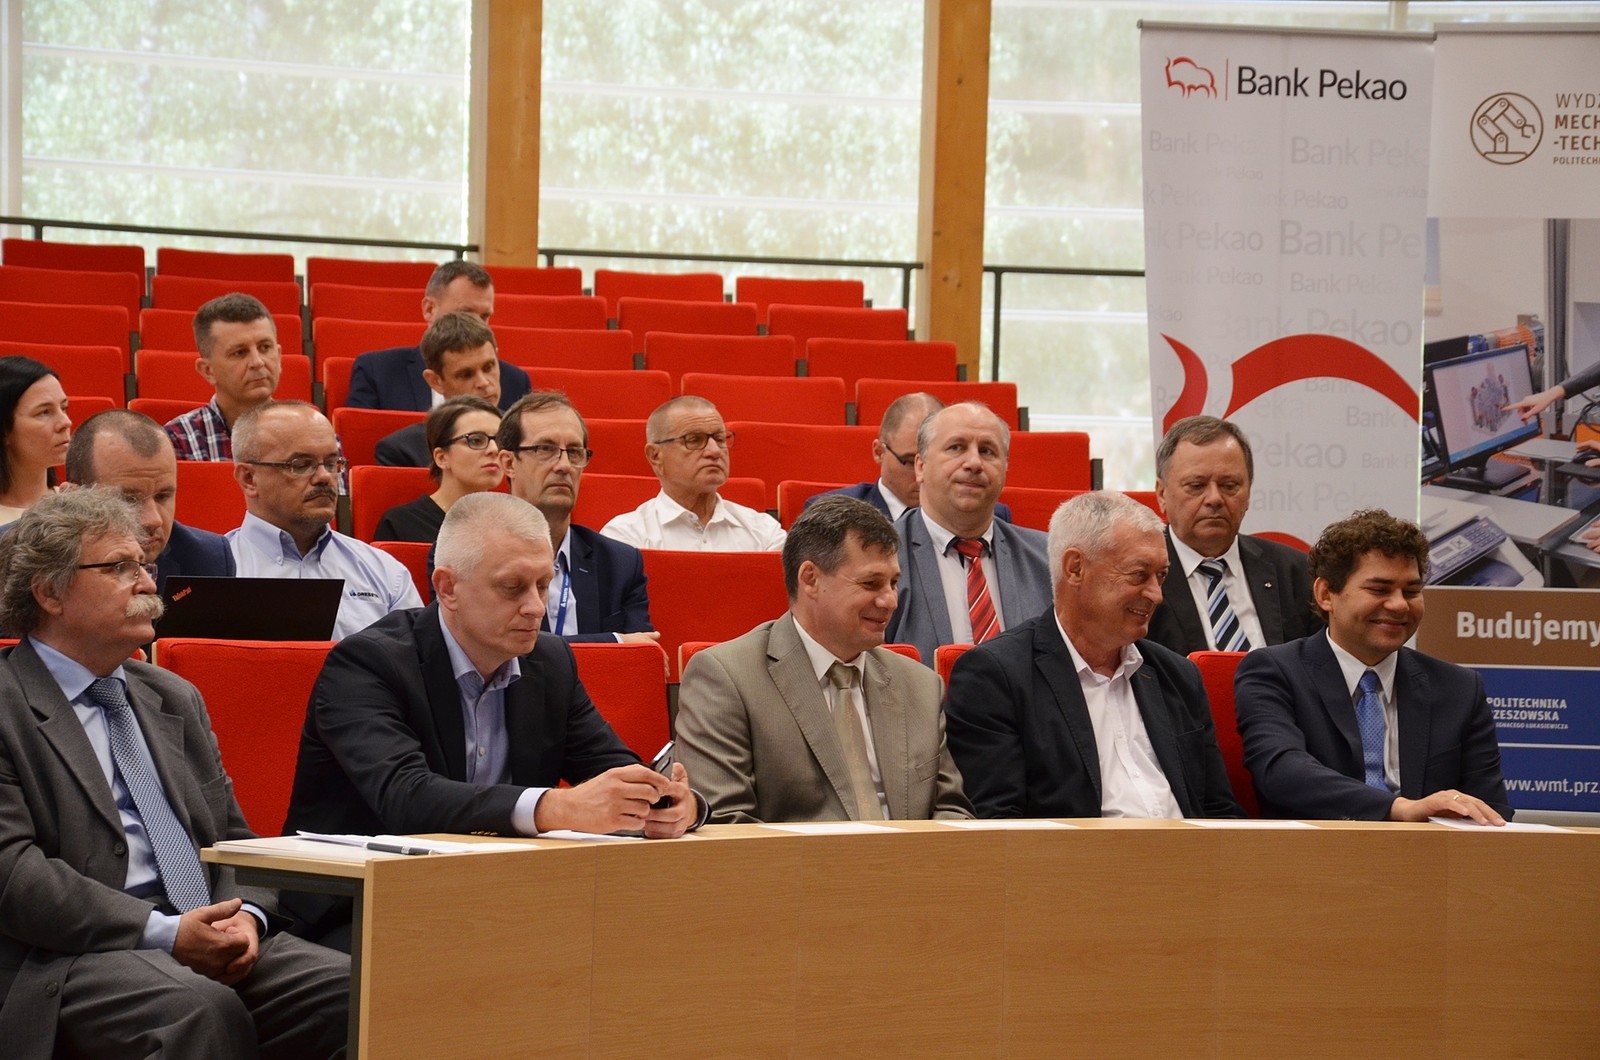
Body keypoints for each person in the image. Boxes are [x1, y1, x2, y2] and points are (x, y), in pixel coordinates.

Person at [0, 488, 348, 1059]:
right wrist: (164, 932)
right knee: (200, 1009)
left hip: (207, 931)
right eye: (119, 567)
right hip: (68, 958)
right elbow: (13, 874)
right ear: (49, 592)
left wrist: (247, 918)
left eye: (144, 565)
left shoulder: (172, 696)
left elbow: (235, 841)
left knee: (355, 989)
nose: (146, 583)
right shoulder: (9, 701)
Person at [281, 492, 705, 948]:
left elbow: (612, 767)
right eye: (512, 587)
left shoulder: (550, 661)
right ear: (447, 588)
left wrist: (671, 804)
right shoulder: (368, 662)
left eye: (543, 585)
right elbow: (406, 797)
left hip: (500, 897)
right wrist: (556, 808)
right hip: (361, 904)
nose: (536, 607)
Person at [944, 491, 1242, 819]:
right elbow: (999, 825)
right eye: (1139, 574)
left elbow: (1219, 812)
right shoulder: (996, 676)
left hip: (1188, 849)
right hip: (1076, 852)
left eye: (1161, 576)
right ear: (1075, 568)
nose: (1156, 595)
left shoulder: (1178, 676)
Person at [676, 496, 973, 823]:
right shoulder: (727, 678)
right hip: (794, 858)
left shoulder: (920, 685)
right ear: (810, 579)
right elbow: (725, 825)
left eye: (893, 583)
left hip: (916, 855)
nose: (890, 600)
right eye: (871, 583)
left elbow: (951, 810)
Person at [1234, 508, 1512, 823]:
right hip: (1314, 848)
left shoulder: (1459, 687)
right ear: (1326, 594)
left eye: (1412, 591)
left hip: (1429, 851)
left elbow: (1491, 808)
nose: (1399, 605)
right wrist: (1398, 809)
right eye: (1379, 590)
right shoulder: (1274, 672)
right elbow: (1282, 771)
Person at [228, 401, 421, 638]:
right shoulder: (214, 571)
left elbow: (416, 658)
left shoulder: (385, 572)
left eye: (331, 464)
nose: (324, 477)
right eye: (301, 465)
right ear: (249, 478)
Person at [884, 400, 1050, 665]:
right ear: (920, 466)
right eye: (956, 447)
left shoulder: (1047, 559)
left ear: (1005, 468)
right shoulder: (882, 556)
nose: (974, 463)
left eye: (987, 451)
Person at [1145, 416, 1317, 655]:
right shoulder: (1140, 577)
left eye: (1229, 485)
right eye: (1196, 485)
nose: (1214, 498)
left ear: (1249, 492)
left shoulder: (1296, 573)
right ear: (1162, 494)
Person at [498, 390, 657, 643]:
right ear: (508, 463)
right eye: (545, 449)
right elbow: (499, 651)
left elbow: (640, 655)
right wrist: (615, 641)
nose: (564, 466)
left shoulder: (620, 564)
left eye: (574, 452)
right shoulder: (474, 554)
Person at [64, 409, 235, 589]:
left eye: (163, 496)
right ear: (74, 498)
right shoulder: (46, 569)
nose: (154, 520)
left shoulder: (208, 561)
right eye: (129, 500)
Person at [601, 395, 786, 550]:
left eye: (720, 439)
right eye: (694, 440)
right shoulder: (625, 536)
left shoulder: (765, 532)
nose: (714, 451)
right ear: (655, 456)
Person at [346, 260, 531, 412]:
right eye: (465, 314)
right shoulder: (378, 372)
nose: (476, 325)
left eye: (485, 317)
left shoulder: (514, 381)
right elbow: (357, 441)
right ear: (429, 309)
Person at [806, 391, 1011, 524]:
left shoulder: (990, 515)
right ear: (879, 452)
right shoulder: (833, 514)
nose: (921, 474)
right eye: (909, 461)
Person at [375, 311, 505, 467]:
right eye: (466, 374)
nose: (483, 382)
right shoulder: (404, 451)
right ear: (435, 381)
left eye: (489, 367)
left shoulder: (526, 436)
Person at [164, 293, 282, 462]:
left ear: (279, 356)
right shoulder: (177, 440)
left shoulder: (311, 433)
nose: (257, 362)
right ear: (208, 370)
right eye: (239, 352)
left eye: (265, 347)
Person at [374, 395, 503, 543]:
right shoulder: (401, 524)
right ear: (441, 457)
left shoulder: (514, 523)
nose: (494, 449)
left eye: (500, 440)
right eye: (476, 440)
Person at [0, 355, 71, 523]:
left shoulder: (79, 508)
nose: (66, 422)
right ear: (4, 431)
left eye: (63, 408)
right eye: (44, 412)